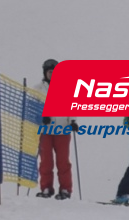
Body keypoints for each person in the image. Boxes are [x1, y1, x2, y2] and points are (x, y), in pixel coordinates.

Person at [36, 59, 74, 199]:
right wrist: (41, 117)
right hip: (45, 131)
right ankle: (46, 187)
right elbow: (33, 108)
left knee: (63, 161)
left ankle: (65, 189)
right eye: (49, 72)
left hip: (62, 129)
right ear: (45, 73)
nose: (52, 74)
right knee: (46, 161)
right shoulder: (38, 89)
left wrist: (73, 121)